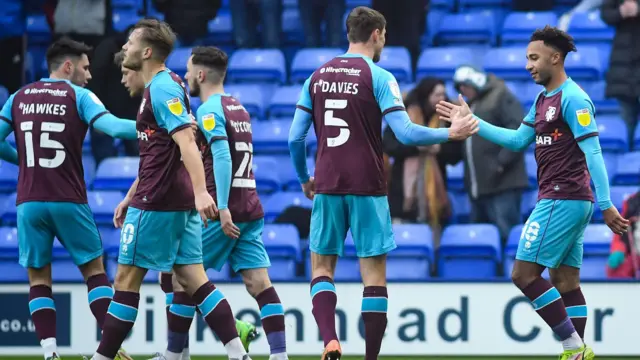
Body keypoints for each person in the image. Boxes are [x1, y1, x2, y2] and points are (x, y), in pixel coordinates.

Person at [287, 6, 479, 360]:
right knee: (373, 277)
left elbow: (294, 139)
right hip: (368, 184)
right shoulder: (379, 76)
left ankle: (330, 338)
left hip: (328, 183)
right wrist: (450, 134)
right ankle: (371, 358)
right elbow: (404, 133)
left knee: (321, 269)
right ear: (377, 34)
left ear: (349, 34)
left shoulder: (315, 77)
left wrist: (304, 178)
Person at [436, 26, 630, 360]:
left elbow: (594, 153)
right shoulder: (542, 100)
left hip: (562, 198)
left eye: (534, 58)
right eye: (527, 58)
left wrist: (606, 204)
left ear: (556, 58)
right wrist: (475, 123)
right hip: (566, 200)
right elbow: (516, 140)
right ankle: (578, 355)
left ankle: (572, 345)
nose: (528, 65)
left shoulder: (574, 99)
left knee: (523, 274)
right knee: (565, 280)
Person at [87, 19, 250, 360]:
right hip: (172, 201)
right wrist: (131, 195)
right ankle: (239, 355)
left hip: (158, 202)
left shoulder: (161, 88)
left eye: (130, 43)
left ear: (146, 52)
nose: (124, 49)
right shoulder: (167, 86)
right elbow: (164, 152)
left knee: (125, 281)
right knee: (194, 280)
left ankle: (102, 358)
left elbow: (187, 143)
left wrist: (203, 192)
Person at [0, 37, 138, 360]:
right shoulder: (79, 95)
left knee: (39, 278)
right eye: (85, 68)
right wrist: (155, 127)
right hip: (68, 198)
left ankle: (50, 353)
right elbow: (115, 129)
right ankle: (113, 349)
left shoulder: (19, 98)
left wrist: (24, 160)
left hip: (29, 201)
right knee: (94, 272)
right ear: (68, 66)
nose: (89, 75)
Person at [452, 65, 529, 244]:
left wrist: (500, 163)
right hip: (479, 186)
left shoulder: (500, 96)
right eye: (459, 88)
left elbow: (518, 130)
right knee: (482, 241)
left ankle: (514, 272)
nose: (463, 91)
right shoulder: (470, 105)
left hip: (503, 184)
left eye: (465, 85)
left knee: (506, 235)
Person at [383, 77, 456, 243]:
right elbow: (388, 144)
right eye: (437, 95)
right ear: (426, 95)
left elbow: (458, 152)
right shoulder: (403, 115)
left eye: (443, 94)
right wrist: (416, 147)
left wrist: (440, 149)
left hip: (435, 196)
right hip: (402, 192)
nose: (442, 99)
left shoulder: (448, 116)